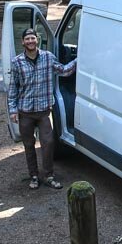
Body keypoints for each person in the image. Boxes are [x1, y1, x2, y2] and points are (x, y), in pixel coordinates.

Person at [8, 27, 75, 189]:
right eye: (27, 39)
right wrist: (12, 110)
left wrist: (79, 60)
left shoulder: (48, 57)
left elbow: (64, 71)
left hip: (44, 111)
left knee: (48, 142)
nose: (30, 41)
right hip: (25, 112)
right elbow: (13, 88)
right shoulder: (17, 62)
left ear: (37, 39)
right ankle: (33, 176)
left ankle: (49, 175)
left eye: (32, 38)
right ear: (22, 42)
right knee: (29, 145)